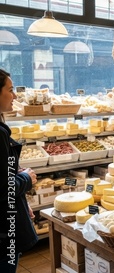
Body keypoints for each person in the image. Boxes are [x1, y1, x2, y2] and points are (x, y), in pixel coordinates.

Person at [0, 69, 38, 272]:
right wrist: (26, 179)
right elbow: (3, 188)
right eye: (10, 89)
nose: (14, 95)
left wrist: (21, 202)